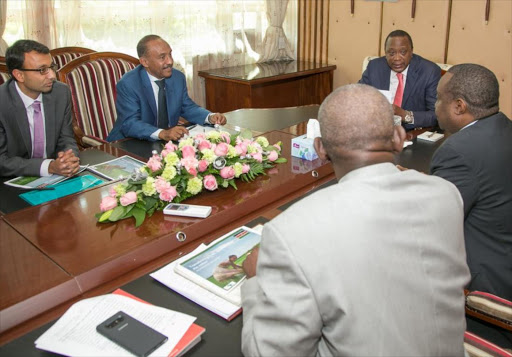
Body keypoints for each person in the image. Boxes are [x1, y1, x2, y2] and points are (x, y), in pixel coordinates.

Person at [241, 84, 470, 356]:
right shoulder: (445, 195)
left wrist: (256, 282)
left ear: (320, 149)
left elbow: (266, 353)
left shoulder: (290, 231)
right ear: (398, 138)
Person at [430, 63, 512, 347]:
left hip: (485, 289)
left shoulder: (458, 151)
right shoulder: (503, 126)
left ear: (459, 106)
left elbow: (432, 225)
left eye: (439, 98)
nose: (435, 104)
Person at [107, 35, 226, 142]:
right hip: (128, 143)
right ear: (145, 62)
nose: (170, 61)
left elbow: (186, 106)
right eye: (162, 57)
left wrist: (209, 117)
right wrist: (162, 133)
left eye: (170, 54)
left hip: (163, 142)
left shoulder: (177, 77)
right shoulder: (129, 83)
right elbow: (130, 123)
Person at [0, 40, 79, 178]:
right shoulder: (2, 102)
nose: (52, 76)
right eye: (42, 70)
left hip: (55, 176)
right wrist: (48, 167)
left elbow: (66, 138)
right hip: (10, 180)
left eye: (52, 67)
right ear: (19, 75)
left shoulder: (60, 93)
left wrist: (68, 159)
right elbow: (1, 161)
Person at [359, 30, 440, 129]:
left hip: (411, 133)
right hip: (376, 130)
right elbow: (358, 99)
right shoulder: (374, 67)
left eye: (403, 52)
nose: (397, 58)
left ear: (411, 52)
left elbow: (436, 115)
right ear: (385, 53)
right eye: (391, 53)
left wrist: (405, 115)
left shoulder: (429, 71)